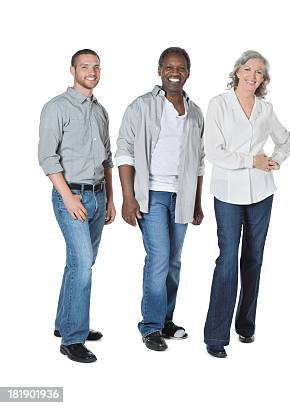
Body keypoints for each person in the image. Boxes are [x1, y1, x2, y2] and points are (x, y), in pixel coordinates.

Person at [115, 47, 205, 352]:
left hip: (182, 196)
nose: (174, 72)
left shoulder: (195, 112)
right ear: (159, 70)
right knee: (159, 258)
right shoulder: (141, 106)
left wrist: (197, 202)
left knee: (174, 262)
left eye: (180, 68)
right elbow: (124, 151)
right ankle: (150, 326)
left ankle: (166, 320)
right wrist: (129, 198)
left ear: (188, 73)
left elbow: (200, 161)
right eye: (169, 67)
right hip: (151, 194)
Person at [203, 50, 290, 358]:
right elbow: (213, 151)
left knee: (253, 259)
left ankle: (246, 325)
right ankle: (215, 335)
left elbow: (284, 140)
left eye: (260, 73)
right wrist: (250, 160)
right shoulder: (219, 104)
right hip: (228, 193)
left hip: (261, 193)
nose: (253, 76)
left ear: (264, 79)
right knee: (227, 260)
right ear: (238, 71)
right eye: (248, 69)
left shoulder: (266, 109)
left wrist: (274, 160)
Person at [38, 49, 115, 363]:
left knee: (80, 263)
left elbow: (107, 159)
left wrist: (110, 198)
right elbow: (46, 157)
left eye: (96, 66)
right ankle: (72, 339)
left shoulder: (101, 111)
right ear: (72, 70)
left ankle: (64, 323)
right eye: (85, 66)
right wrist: (68, 197)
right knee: (82, 265)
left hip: (97, 197)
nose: (91, 71)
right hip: (71, 196)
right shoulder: (56, 107)